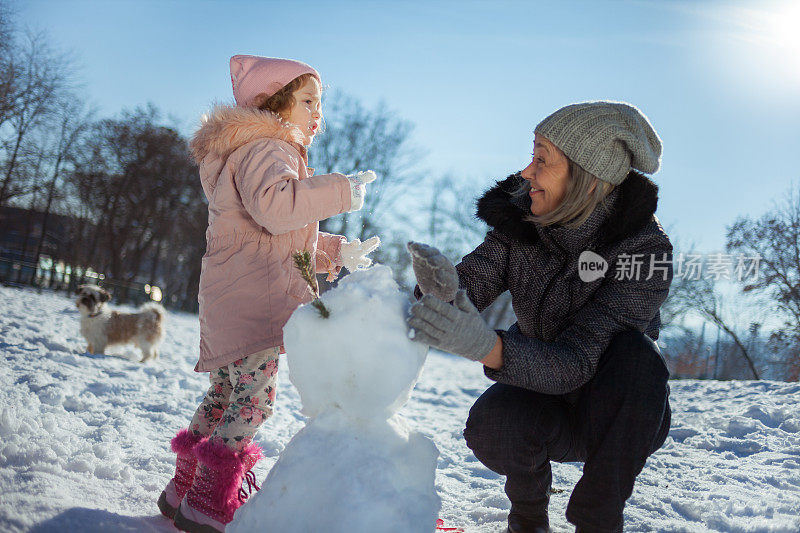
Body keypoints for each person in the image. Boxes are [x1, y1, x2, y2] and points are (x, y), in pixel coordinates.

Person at [407, 102, 673, 533]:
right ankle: (528, 519)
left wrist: (486, 345)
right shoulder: (523, 223)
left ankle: (599, 519)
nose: (527, 171)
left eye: (542, 159)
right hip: (541, 394)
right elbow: (473, 280)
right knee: (493, 424)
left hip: (615, 415)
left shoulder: (644, 251)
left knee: (638, 356)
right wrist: (441, 289)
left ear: (588, 178)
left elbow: (576, 362)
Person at [158, 55, 380, 533]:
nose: (317, 114)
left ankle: (184, 487)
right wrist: (341, 191)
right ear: (272, 103)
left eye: (320, 104)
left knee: (225, 394)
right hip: (255, 303)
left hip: (235, 297)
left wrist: (337, 251)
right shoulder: (269, 147)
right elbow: (279, 212)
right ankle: (208, 502)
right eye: (307, 101)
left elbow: (275, 235)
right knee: (253, 400)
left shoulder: (252, 149)